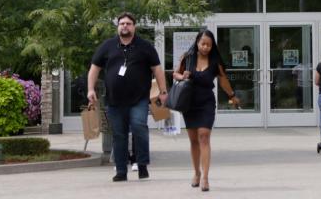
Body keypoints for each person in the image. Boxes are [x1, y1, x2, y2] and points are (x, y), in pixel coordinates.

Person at [88, 12, 167, 182]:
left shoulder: (145, 46)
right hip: (114, 100)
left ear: (134, 27)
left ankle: (142, 164)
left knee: (139, 126)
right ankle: (121, 171)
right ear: (118, 27)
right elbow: (94, 68)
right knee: (119, 134)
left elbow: (157, 70)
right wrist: (90, 89)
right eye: (122, 23)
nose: (125, 26)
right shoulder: (107, 46)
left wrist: (163, 91)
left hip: (138, 99)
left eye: (128, 23)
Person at [173, 28, 240, 192]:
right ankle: (196, 172)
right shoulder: (188, 58)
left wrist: (232, 95)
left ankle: (205, 177)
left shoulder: (215, 61)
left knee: (204, 136)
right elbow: (175, 74)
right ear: (197, 43)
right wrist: (182, 76)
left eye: (209, 45)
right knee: (193, 140)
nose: (205, 47)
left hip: (206, 103)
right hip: (189, 102)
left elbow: (223, 81)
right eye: (203, 44)